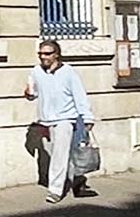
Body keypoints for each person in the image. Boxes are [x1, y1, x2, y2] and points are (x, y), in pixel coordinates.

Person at [25, 38, 96, 201]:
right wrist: (29, 93)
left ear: (56, 55)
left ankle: (55, 190)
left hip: (66, 119)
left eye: (47, 54)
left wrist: (87, 117)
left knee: (59, 155)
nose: (43, 57)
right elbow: (33, 93)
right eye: (40, 54)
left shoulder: (68, 72)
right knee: (65, 154)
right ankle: (78, 181)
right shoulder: (36, 71)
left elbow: (80, 96)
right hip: (46, 120)